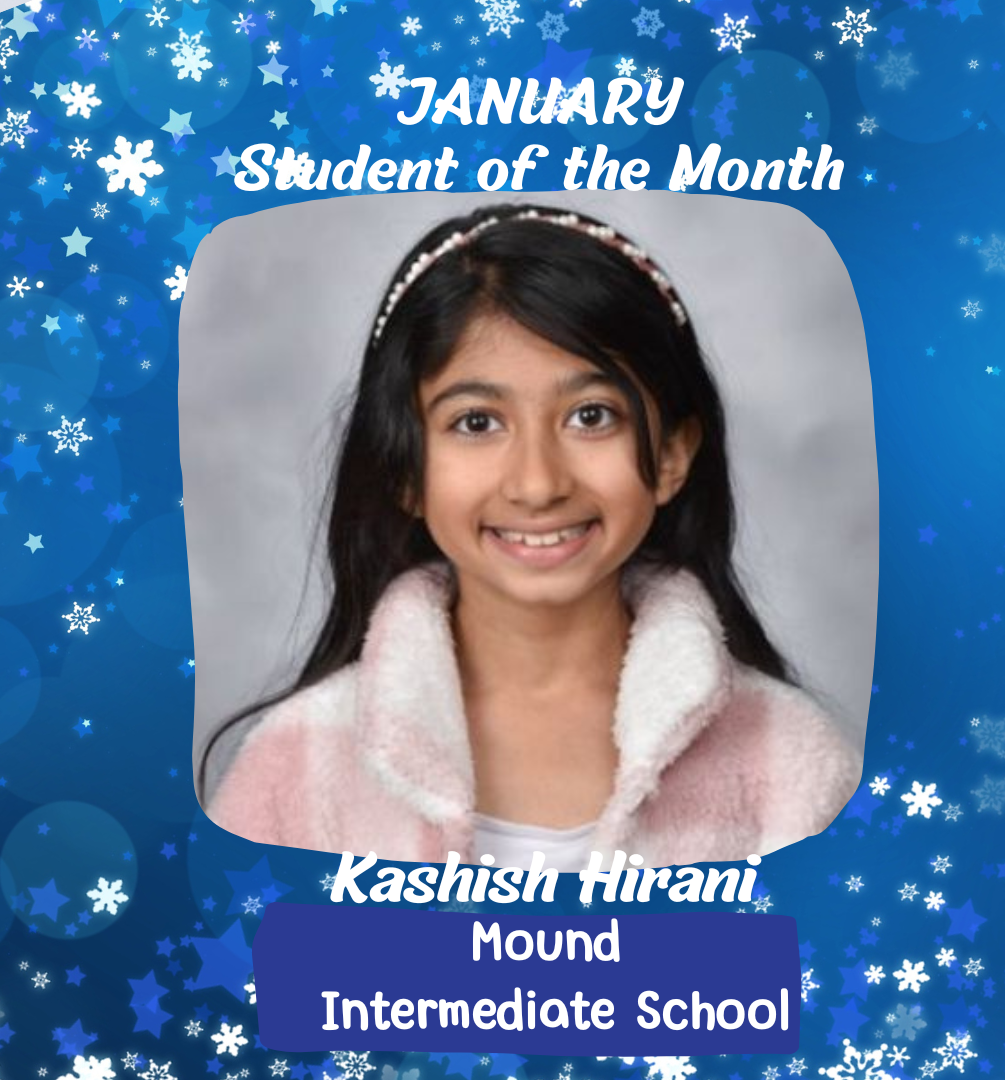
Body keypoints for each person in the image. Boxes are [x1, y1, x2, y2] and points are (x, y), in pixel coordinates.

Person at [202, 203, 862, 870]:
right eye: (477, 423)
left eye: (592, 415)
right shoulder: (295, 766)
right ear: (404, 469)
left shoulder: (790, 762)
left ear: (671, 457)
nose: (538, 484)